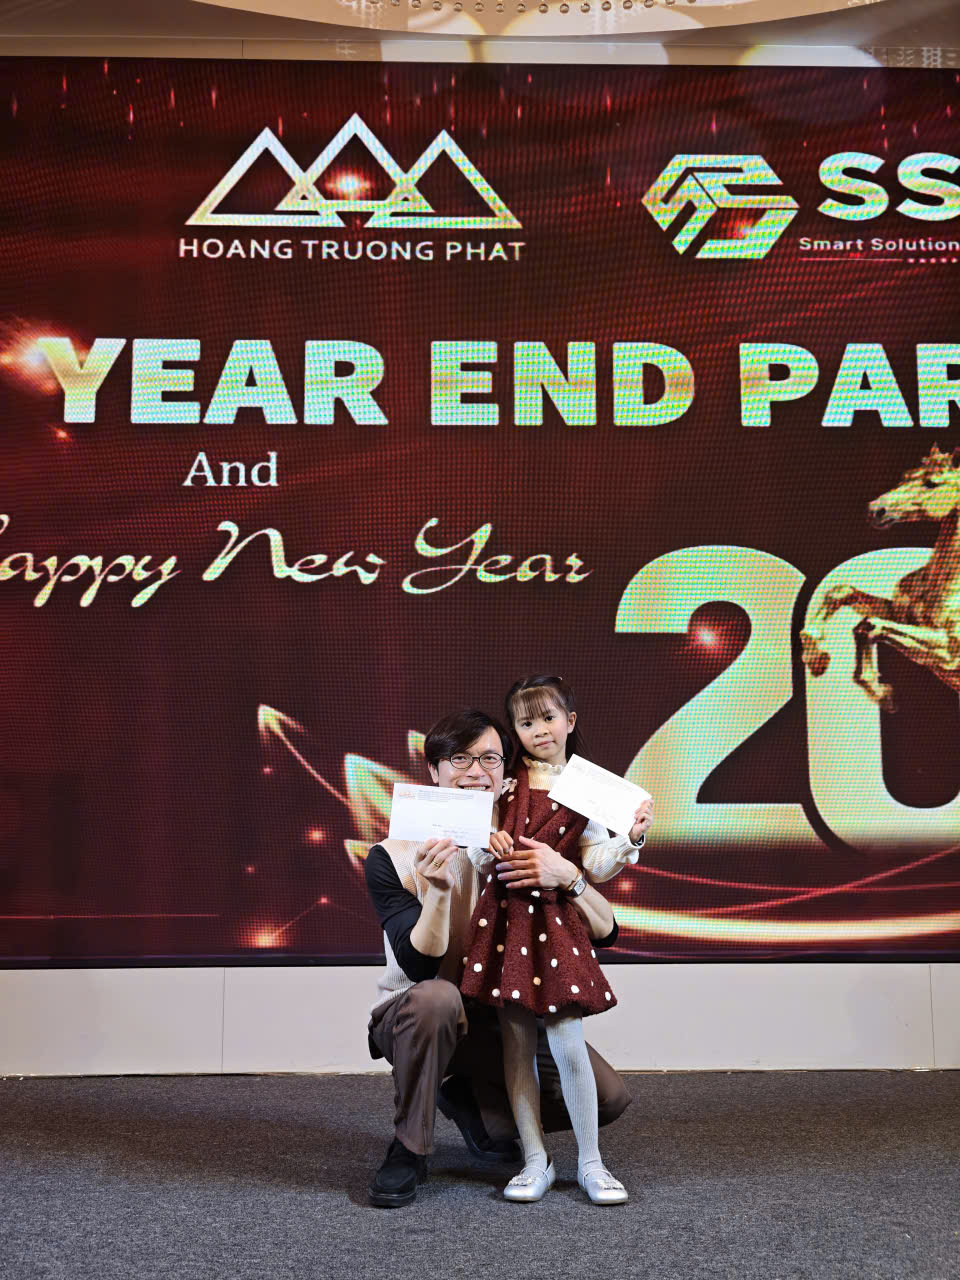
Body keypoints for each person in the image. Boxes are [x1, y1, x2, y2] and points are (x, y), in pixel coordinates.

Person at [363, 707, 632, 1209]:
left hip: (502, 1010)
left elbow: (608, 931)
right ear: (435, 771)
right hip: (419, 1013)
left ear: (506, 770)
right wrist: (438, 891)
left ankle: (476, 1101)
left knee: (609, 1096)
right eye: (459, 759)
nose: (475, 771)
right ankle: (409, 1148)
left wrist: (568, 876)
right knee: (437, 1000)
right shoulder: (392, 855)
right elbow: (419, 968)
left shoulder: (526, 835)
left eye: (489, 758)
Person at [460, 675, 653, 1204]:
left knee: (568, 1040)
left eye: (548, 718)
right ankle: (534, 1160)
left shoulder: (589, 788)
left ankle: (591, 1163)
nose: (539, 730)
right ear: (514, 731)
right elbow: (478, 853)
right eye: (526, 722)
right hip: (505, 921)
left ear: (570, 720)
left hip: (556, 922)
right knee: (517, 1044)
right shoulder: (504, 783)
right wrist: (488, 842)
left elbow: (595, 864)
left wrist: (631, 838)